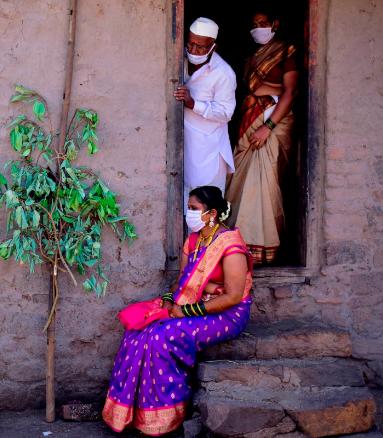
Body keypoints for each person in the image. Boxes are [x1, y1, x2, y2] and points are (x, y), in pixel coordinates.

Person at [103, 186, 253, 436]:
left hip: (226, 314)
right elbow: (182, 280)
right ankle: (134, 413)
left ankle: (168, 415)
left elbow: (233, 296)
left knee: (161, 337)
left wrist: (186, 310)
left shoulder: (230, 245)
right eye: (189, 208)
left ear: (212, 213)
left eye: (194, 209)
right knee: (137, 330)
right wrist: (168, 300)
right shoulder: (194, 240)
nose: (189, 213)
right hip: (190, 305)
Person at [224, 8, 299, 265]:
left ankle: (261, 249)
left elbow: (289, 93)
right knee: (240, 181)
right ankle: (236, 245)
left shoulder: (286, 51)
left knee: (264, 185)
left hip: (273, 122)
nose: (259, 27)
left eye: (263, 23)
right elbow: (251, 89)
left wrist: (268, 126)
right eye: (254, 24)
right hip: (249, 120)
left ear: (275, 23)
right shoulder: (251, 58)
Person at [174, 17, 237, 197]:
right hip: (183, 146)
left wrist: (193, 104)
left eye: (200, 47)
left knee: (204, 206)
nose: (193, 50)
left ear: (212, 47)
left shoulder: (223, 73)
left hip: (207, 152)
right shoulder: (180, 61)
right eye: (190, 44)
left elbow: (226, 113)